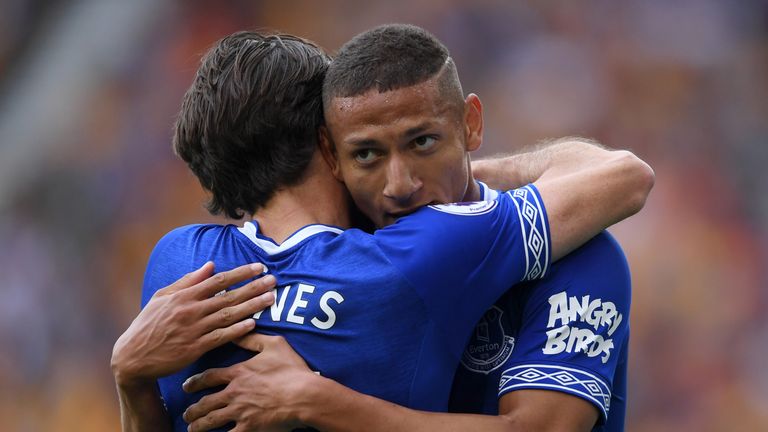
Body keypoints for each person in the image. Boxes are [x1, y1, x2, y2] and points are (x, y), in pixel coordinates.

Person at [111, 28, 652, 432]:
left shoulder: (176, 264)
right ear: (331, 151)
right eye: (366, 153)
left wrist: (130, 380)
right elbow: (622, 175)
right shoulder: (403, 260)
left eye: (422, 143)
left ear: (470, 126)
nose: (399, 185)